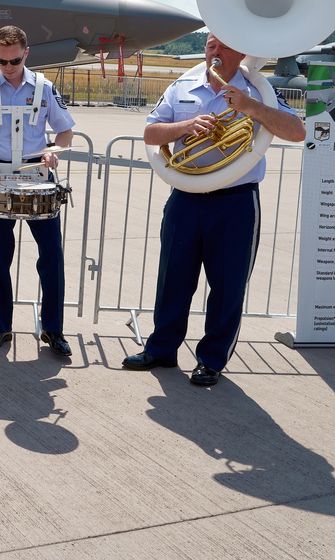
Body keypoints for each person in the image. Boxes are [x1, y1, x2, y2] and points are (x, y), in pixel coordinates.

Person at [123, 35, 304, 386]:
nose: (214, 53)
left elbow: (297, 131)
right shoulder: (183, 84)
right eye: (210, 45)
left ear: (242, 52)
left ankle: (211, 360)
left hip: (235, 201)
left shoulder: (258, 90)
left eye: (223, 46)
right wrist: (187, 127)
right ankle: (161, 349)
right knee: (173, 280)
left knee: (227, 286)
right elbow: (151, 132)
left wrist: (252, 108)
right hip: (186, 198)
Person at [0, 25, 76, 356]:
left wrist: (54, 150)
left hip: (37, 177)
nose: (8, 68)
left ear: (26, 54)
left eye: (15, 61)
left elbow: (66, 132)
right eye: (2, 61)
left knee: (52, 258)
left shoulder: (45, 88)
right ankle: (1, 326)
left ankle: (53, 329)